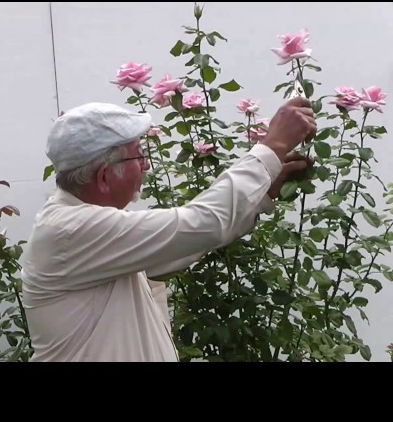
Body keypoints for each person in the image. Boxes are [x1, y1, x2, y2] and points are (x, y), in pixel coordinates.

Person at [20, 97, 316, 362]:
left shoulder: (89, 232)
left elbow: (185, 243)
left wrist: (264, 192)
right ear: (104, 177)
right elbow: (201, 223)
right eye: (138, 155)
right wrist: (273, 146)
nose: (146, 165)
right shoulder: (70, 231)